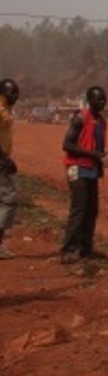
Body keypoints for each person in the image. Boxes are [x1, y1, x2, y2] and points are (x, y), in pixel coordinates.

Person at [60, 85, 108, 263]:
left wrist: (103, 158)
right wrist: (93, 154)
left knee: (92, 210)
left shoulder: (102, 122)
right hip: (77, 168)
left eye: (104, 99)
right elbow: (67, 145)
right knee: (79, 209)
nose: (102, 102)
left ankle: (85, 248)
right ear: (90, 100)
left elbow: (96, 147)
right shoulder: (80, 118)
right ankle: (68, 249)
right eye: (98, 99)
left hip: (92, 170)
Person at [0, 79, 20, 259]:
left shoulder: (6, 110)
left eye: (16, 94)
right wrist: (5, 159)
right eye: (11, 93)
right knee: (8, 200)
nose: (14, 97)